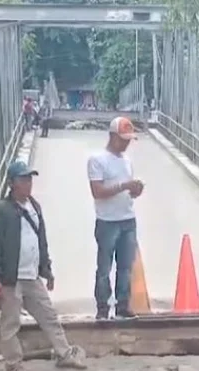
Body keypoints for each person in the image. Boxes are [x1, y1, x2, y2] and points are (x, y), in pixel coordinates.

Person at [0, 160, 87, 371]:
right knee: (11, 323)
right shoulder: (1, 211)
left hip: (31, 276)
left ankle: (64, 353)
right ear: (12, 183)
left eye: (30, 179)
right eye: (23, 179)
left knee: (48, 315)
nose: (28, 183)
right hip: (11, 279)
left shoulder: (34, 207)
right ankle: (13, 365)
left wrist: (46, 270)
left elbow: (41, 241)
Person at [87, 116, 145, 320]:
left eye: (129, 139)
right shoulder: (97, 160)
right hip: (107, 221)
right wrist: (124, 186)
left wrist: (135, 190)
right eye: (124, 139)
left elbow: (127, 191)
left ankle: (123, 305)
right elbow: (97, 191)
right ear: (112, 136)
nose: (127, 143)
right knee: (104, 267)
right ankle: (103, 307)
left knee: (126, 266)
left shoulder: (127, 161)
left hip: (128, 218)